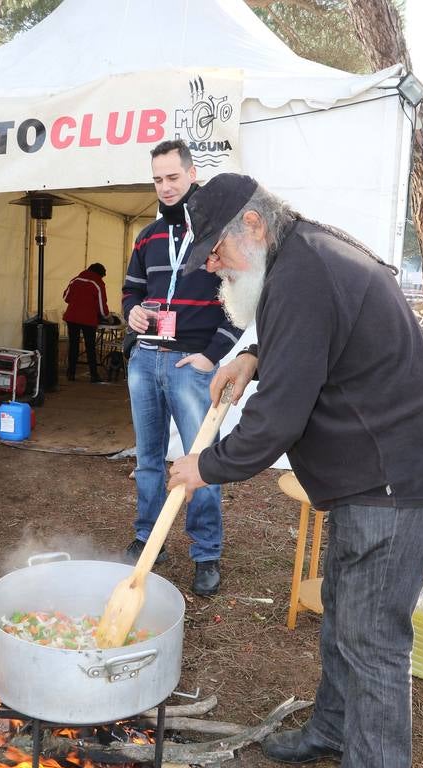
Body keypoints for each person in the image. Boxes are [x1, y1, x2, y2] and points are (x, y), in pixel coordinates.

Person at [167, 172, 423, 768]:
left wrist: (201, 468)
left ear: (253, 227)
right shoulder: (302, 257)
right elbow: (317, 339)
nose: (212, 269)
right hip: (371, 476)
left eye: (214, 254)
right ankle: (331, 727)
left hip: (393, 481)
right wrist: (253, 357)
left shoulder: (304, 271)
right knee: (342, 611)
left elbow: (275, 421)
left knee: (373, 643)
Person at [122, 140, 242, 595]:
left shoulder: (218, 233)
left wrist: (213, 354)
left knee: (201, 462)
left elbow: (242, 300)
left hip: (193, 366)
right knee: (148, 459)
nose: (165, 187)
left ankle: (206, 553)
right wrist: (132, 313)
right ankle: (147, 537)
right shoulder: (148, 235)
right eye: (157, 179)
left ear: (192, 175)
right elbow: (131, 290)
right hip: (145, 360)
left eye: (173, 177)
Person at [63, 262, 110, 383]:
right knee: (90, 347)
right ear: (100, 274)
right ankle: (94, 375)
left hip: (72, 317)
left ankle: (71, 373)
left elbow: (66, 297)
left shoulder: (75, 280)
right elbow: (101, 305)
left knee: (73, 345)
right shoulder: (98, 284)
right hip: (88, 319)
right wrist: (106, 316)